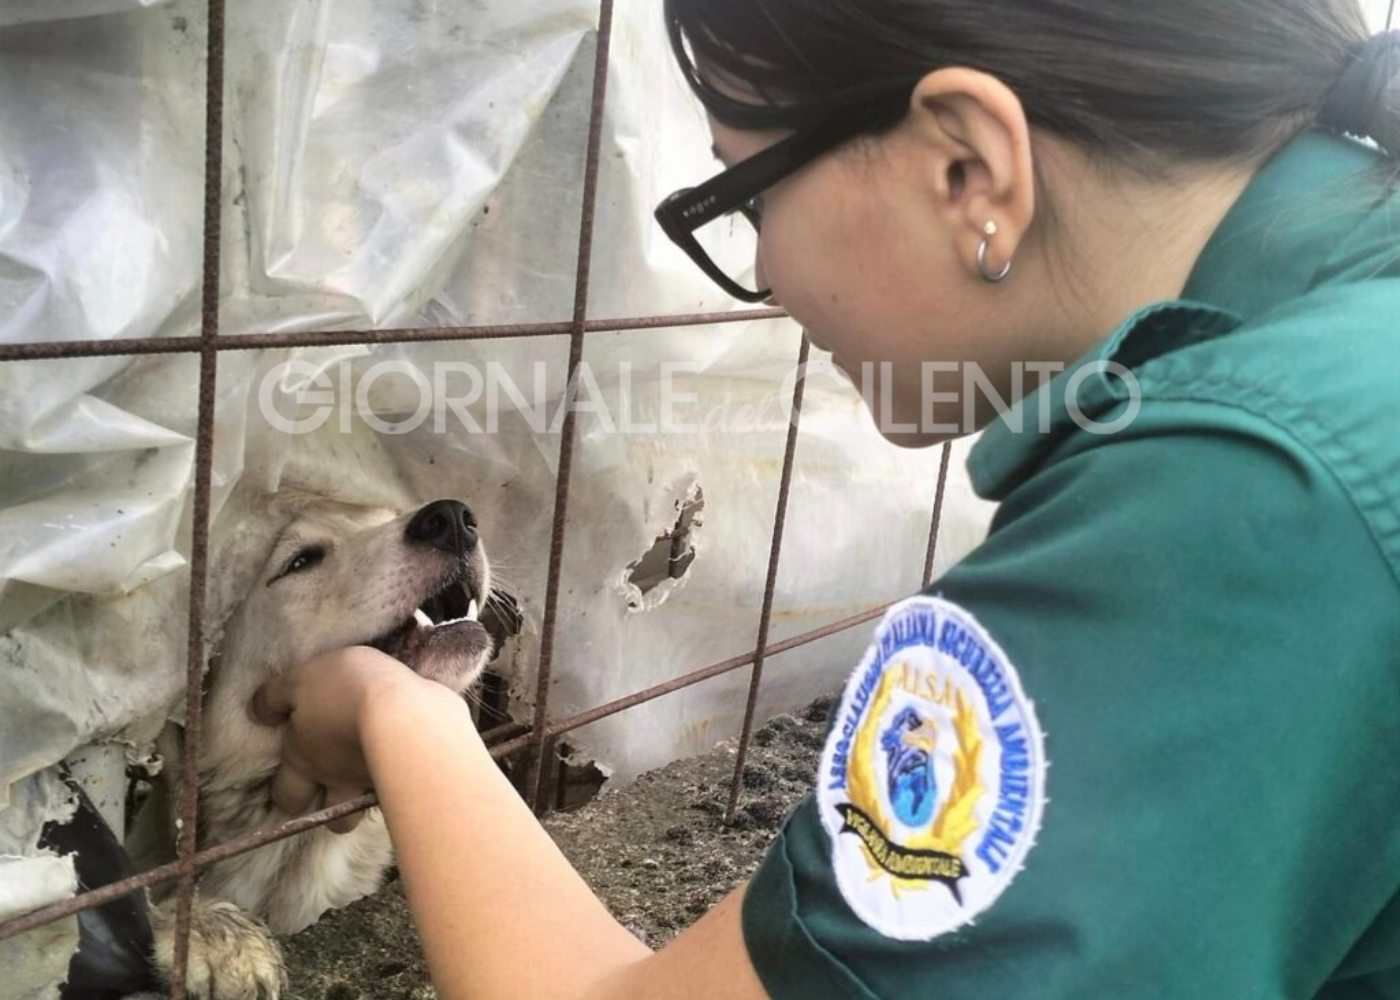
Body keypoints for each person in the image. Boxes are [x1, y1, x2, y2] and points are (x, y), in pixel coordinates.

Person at [249, 1, 1400, 997]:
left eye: (746, 199)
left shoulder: (1229, 502)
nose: (764, 277)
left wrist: (399, 718)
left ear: (966, 168)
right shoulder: (1332, 347)